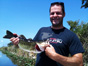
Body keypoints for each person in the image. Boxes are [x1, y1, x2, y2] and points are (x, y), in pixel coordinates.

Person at [10, 2, 84, 66]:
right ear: (49, 15)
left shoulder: (71, 35)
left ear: (64, 14)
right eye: (52, 13)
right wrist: (20, 41)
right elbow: (31, 45)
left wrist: (55, 56)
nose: (55, 15)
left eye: (58, 13)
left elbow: (79, 63)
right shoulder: (42, 30)